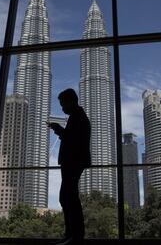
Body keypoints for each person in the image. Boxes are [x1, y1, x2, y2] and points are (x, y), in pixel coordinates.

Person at [48, 88, 91, 245]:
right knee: (68, 197)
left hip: (73, 162)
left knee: (69, 198)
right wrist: (60, 130)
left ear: (71, 101)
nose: (62, 108)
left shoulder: (78, 117)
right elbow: (73, 138)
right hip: (73, 162)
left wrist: (58, 129)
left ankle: (74, 236)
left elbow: (73, 140)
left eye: (63, 104)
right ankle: (71, 235)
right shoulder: (78, 117)